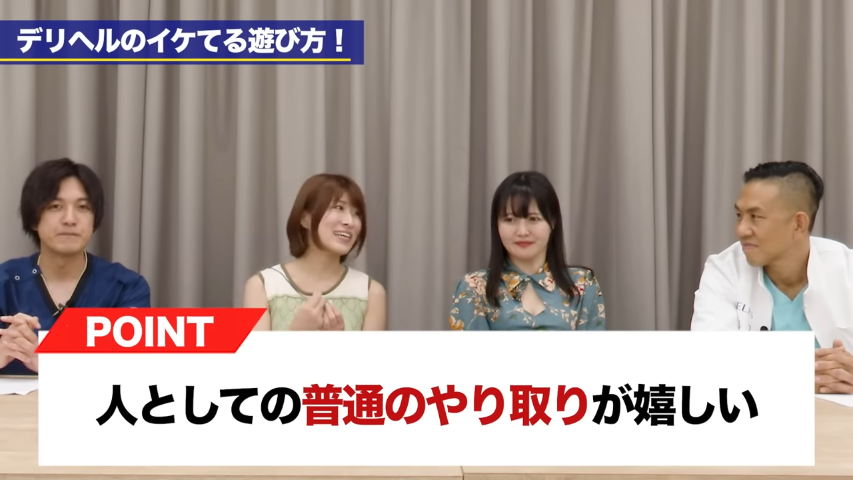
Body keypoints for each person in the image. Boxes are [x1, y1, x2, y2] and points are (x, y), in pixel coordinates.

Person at [691, 160, 853, 393]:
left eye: (756, 217)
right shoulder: (724, 270)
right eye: (739, 215)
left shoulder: (847, 269)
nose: (741, 230)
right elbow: (707, 362)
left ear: (798, 224)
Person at [0, 158, 151, 375]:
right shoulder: (5, 282)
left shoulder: (126, 287)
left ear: (94, 220)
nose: (70, 219)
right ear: (34, 219)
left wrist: (51, 363)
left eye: (82, 207)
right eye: (55, 206)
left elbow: (131, 372)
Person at [448, 171, 606, 331]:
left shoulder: (582, 284)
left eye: (533, 219)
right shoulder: (474, 287)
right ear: (497, 224)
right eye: (510, 220)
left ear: (552, 222)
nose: (522, 231)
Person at [242, 173, 386, 331]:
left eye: (357, 214)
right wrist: (297, 332)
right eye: (339, 207)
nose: (350, 222)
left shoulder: (371, 293)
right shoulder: (262, 286)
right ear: (305, 218)